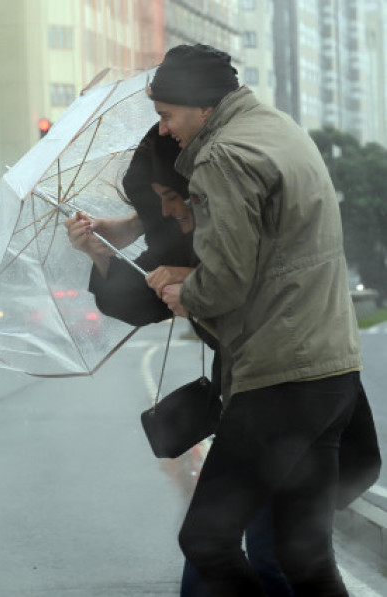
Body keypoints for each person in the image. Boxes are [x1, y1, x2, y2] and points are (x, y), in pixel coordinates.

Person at [146, 43, 366, 596]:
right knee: (304, 551)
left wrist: (184, 292)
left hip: (280, 378)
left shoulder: (223, 156)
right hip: (330, 372)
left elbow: (225, 280)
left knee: (207, 541)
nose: (167, 130)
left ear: (200, 106)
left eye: (168, 116)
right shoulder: (277, 128)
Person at [65, 124, 293, 597]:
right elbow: (139, 301)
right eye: (158, 201)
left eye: (172, 197)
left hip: (290, 390)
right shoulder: (179, 225)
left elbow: (272, 290)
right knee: (221, 546)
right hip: (246, 396)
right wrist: (103, 253)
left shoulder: (246, 206)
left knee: (263, 549)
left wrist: (195, 283)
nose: (166, 211)